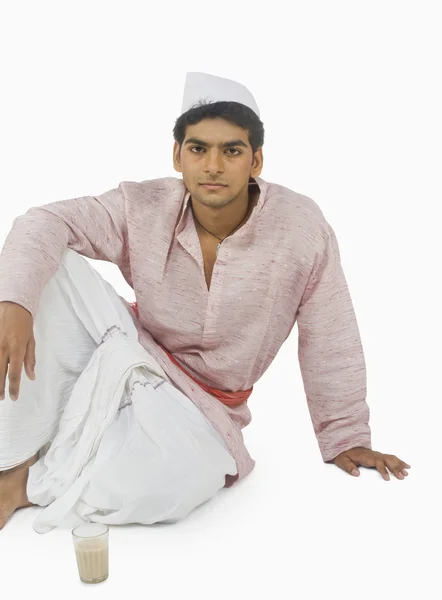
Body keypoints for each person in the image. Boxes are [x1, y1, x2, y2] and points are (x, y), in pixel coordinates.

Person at [0, 72, 410, 533]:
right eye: (198, 149)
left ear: (255, 161)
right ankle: (14, 456)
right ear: (178, 156)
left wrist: (345, 435)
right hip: (131, 349)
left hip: (203, 406)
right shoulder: (142, 204)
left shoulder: (301, 228)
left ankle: (32, 481)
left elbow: (331, 333)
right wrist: (14, 304)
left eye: (231, 151)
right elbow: (43, 221)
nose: (213, 165)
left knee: (169, 485)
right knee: (43, 266)